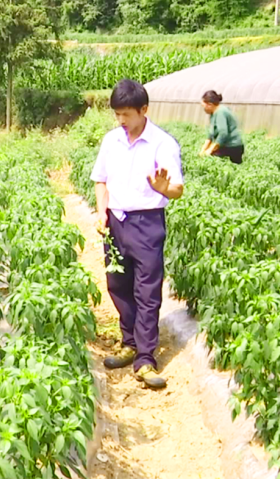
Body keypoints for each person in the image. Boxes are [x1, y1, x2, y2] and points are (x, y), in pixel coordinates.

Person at [91, 79, 185, 390]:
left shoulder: (162, 144)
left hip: (147, 223)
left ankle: (145, 358)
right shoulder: (111, 141)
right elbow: (100, 180)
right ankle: (128, 342)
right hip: (116, 222)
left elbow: (177, 190)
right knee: (118, 284)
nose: (121, 122)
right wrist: (102, 211)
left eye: (127, 115)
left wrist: (163, 189)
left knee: (147, 291)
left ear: (144, 110)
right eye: (117, 115)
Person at [198, 90, 244, 164]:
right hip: (226, 147)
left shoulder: (220, 112)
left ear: (210, 104)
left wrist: (210, 150)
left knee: (211, 162)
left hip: (232, 147)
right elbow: (211, 135)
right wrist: (203, 150)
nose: (204, 109)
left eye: (204, 106)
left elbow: (223, 133)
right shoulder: (214, 113)